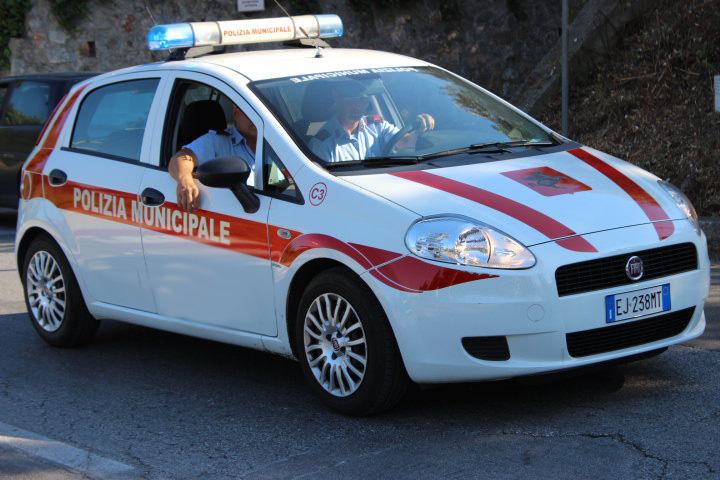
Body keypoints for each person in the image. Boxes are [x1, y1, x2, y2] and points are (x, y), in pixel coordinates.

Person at [309, 80, 435, 163]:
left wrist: (421, 125)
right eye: (354, 98)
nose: (360, 105)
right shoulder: (323, 145)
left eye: (364, 99)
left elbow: (406, 141)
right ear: (337, 95)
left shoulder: (377, 126)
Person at [169, 104, 257, 212]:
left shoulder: (276, 142)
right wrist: (185, 180)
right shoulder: (216, 141)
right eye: (250, 111)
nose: (256, 117)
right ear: (235, 113)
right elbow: (180, 158)